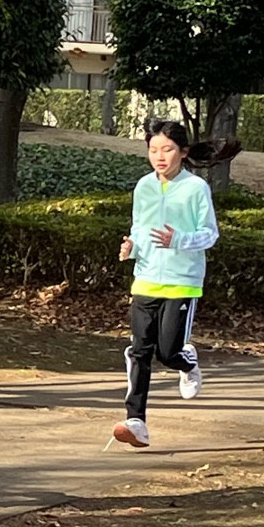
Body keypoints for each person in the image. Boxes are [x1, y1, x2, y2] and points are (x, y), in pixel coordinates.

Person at [110, 118, 217, 450]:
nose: (159, 156)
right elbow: (140, 228)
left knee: (168, 352)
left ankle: (187, 362)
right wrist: (131, 249)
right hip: (145, 280)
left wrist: (178, 240)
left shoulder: (196, 188)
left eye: (167, 149)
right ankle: (136, 421)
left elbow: (210, 234)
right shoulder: (144, 186)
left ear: (183, 152)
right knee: (139, 351)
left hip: (182, 282)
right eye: (153, 149)